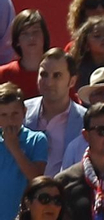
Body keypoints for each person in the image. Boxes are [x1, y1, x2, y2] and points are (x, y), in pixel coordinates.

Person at [23, 49, 81, 177]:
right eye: (44, 74)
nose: (49, 82)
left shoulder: (85, 120)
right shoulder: (21, 112)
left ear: (72, 81)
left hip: (66, 193)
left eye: (57, 76)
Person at [0, 83, 45, 220]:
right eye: (4, 115)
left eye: (15, 114)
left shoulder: (37, 139)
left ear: (24, 112)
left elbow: (36, 178)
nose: (10, 120)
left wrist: (14, 147)